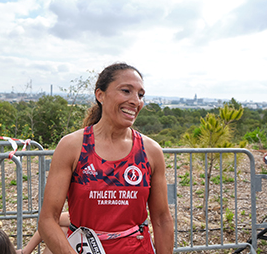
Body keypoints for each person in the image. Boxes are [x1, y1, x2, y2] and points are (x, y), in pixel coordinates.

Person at [38, 63, 174, 253]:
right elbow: (47, 219)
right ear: (100, 95)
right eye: (126, 91)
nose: (136, 101)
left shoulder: (150, 151)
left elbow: (161, 219)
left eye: (140, 95)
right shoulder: (72, 146)